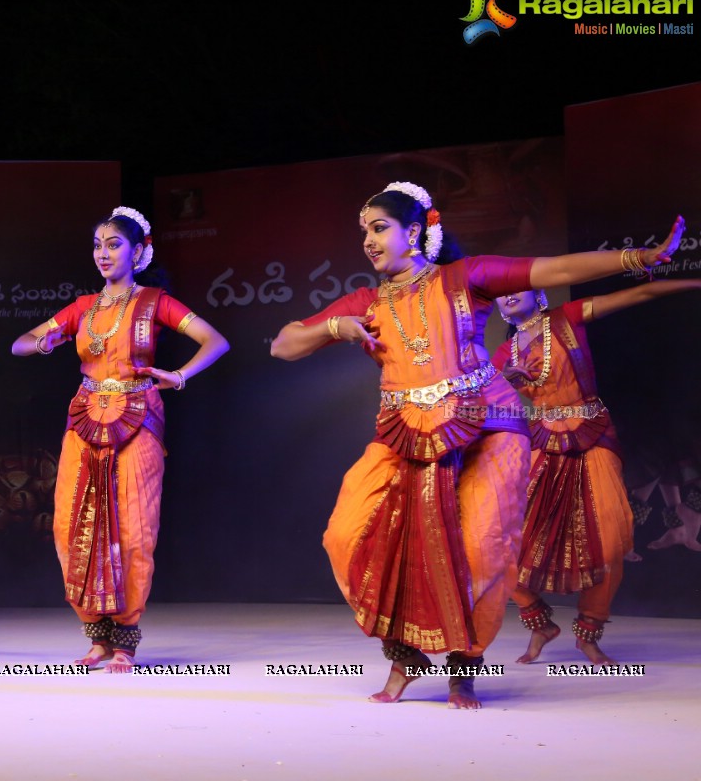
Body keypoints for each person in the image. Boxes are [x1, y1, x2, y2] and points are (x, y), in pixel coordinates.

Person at [270, 181, 683, 708]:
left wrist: (638, 257)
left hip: (490, 426)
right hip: (404, 432)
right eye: (363, 233)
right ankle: (406, 654)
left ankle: (463, 666)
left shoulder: (466, 277)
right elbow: (284, 346)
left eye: (379, 228)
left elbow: (555, 271)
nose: (368, 241)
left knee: (481, 546)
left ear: (414, 231)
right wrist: (337, 325)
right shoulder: (366, 302)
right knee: (347, 535)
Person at [12, 206, 228, 672]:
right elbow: (21, 342)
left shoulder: (155, 302)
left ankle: (125, 639)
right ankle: (96, 635)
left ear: (139, 251)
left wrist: (179, 375)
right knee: (71, 526)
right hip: (85, 419)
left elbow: (215, 341)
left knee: (132, 529)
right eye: (98, 245)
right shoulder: (82, 308)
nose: (103, 253)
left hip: (138, 420)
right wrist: (44, 341)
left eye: (114, 244)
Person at [493, 279, 701, 665]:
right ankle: (540, 623)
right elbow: (483, 401)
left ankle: (588, 633)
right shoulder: (504, 354)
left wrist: (691, 282)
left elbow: (635, 294)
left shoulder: (567, 319)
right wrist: (506, 380)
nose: (508, 293)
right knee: (502, 546)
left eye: (517, 288)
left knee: (608, 544)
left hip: (592, 437)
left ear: (538, 294)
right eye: (502, 292)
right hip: (542, 445)